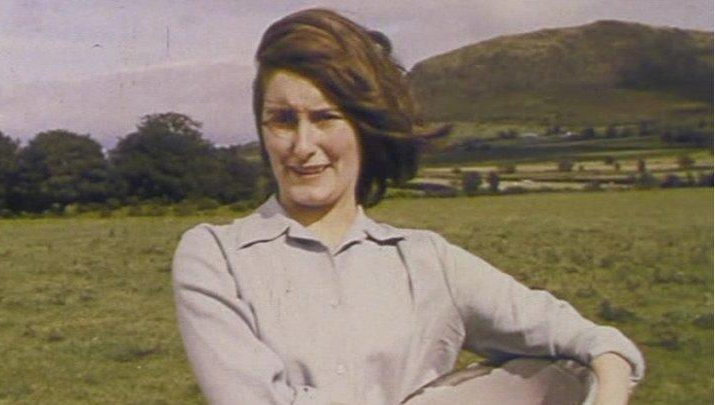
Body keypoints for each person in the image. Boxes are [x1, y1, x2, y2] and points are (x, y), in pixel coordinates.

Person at [172, 8, 644, 405]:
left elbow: (595, 343)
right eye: (281, 120)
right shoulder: (216, 255)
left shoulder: (427, 259)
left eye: (324, 118)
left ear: (364, 126)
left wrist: (606, 380)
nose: (302, 144)